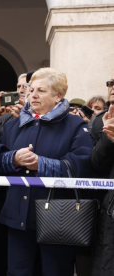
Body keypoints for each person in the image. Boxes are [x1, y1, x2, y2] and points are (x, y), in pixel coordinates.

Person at [0, 68, 93, 276]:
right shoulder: (13, 124)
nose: (33, 95)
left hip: (58, 218)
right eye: (31, 90)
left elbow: (82, 164)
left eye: (41, 90)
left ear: (58, 96)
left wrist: (42, 164)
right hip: (17, 215)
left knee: (55, 271)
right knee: (17, 272)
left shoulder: (75, 124)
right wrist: (14, 159)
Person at [91, 74, 114, 276]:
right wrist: (108, 139)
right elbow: (96, 166)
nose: (113, 87)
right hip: (109, 209)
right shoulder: (100, 121)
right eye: (111, 83)